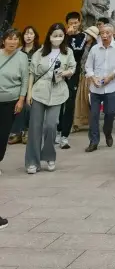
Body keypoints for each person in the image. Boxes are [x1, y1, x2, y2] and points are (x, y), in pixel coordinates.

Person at [25, 23, 76, 174]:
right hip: (39, 90)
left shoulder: (68, 52)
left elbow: (73, 68)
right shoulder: (40, 52)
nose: (57, 39)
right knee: (35, 127)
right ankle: (32, 161)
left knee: (51, 125)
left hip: (58, 90)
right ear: (49, 36)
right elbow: (32, 73)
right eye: (55, 36)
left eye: (60, 36)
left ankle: (49, 156)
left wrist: (66, 73)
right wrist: (29, 94)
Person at [84, 23, 115, 152]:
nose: (105, 35)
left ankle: (107, 132)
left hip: (112, 86)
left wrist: (111, 76)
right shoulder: (95, 49)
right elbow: (88, 66)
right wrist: (93, 77)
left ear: (112, 33)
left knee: (110, 113)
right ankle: (94, 141)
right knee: (94, 115)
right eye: (102, 33)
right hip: (96, 87)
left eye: (108, 33)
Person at [0, 28, 29, 173]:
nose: (13, 42)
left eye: (16, 39)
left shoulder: (22, 57)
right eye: (10, 38)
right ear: (3, 40)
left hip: (11, 100)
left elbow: (25, 79)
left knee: (3, 133)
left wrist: (21, 99)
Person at [57, 12, 87, 150]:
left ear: (79, 23)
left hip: (73, 74)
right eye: (71, 23)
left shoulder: (82, 36)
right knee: (58, 103)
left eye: (76, 23)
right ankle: (56, 130)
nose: (73, 26)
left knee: (69, 104)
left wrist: (71, 36)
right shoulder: (61, 36)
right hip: (59, 73)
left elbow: (77, 51)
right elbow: (58, 50)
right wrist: (66, 36)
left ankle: (64, 135)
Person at [8, 26, 39, 145]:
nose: (28, 36)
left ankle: (27, 131)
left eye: (31, 33)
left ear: (35, 36)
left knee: (29, 107)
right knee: (18, 107)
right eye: (26, 33)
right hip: (19, 83)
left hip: (34, 83)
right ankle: (16, 132)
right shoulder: (18, 51)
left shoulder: (39, 51)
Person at [72, 26, 99, 131]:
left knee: (89, 100)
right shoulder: (82, 45)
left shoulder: (94, 48)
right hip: (81, 75)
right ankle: (77, 123)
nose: (85, 36)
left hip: (90, 77)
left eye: (88, 35)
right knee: (79, 100)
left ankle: (91, 122)